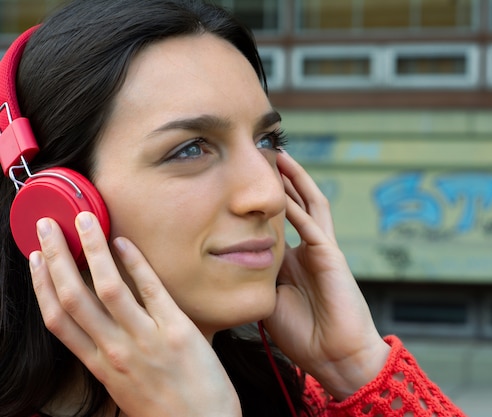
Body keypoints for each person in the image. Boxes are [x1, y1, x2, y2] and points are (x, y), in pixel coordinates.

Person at [0, 1, 468, 416]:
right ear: (54, 205)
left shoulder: (302, 395)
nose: (267, 194)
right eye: (190, 149)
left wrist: (355, 368)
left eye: (267, 140)